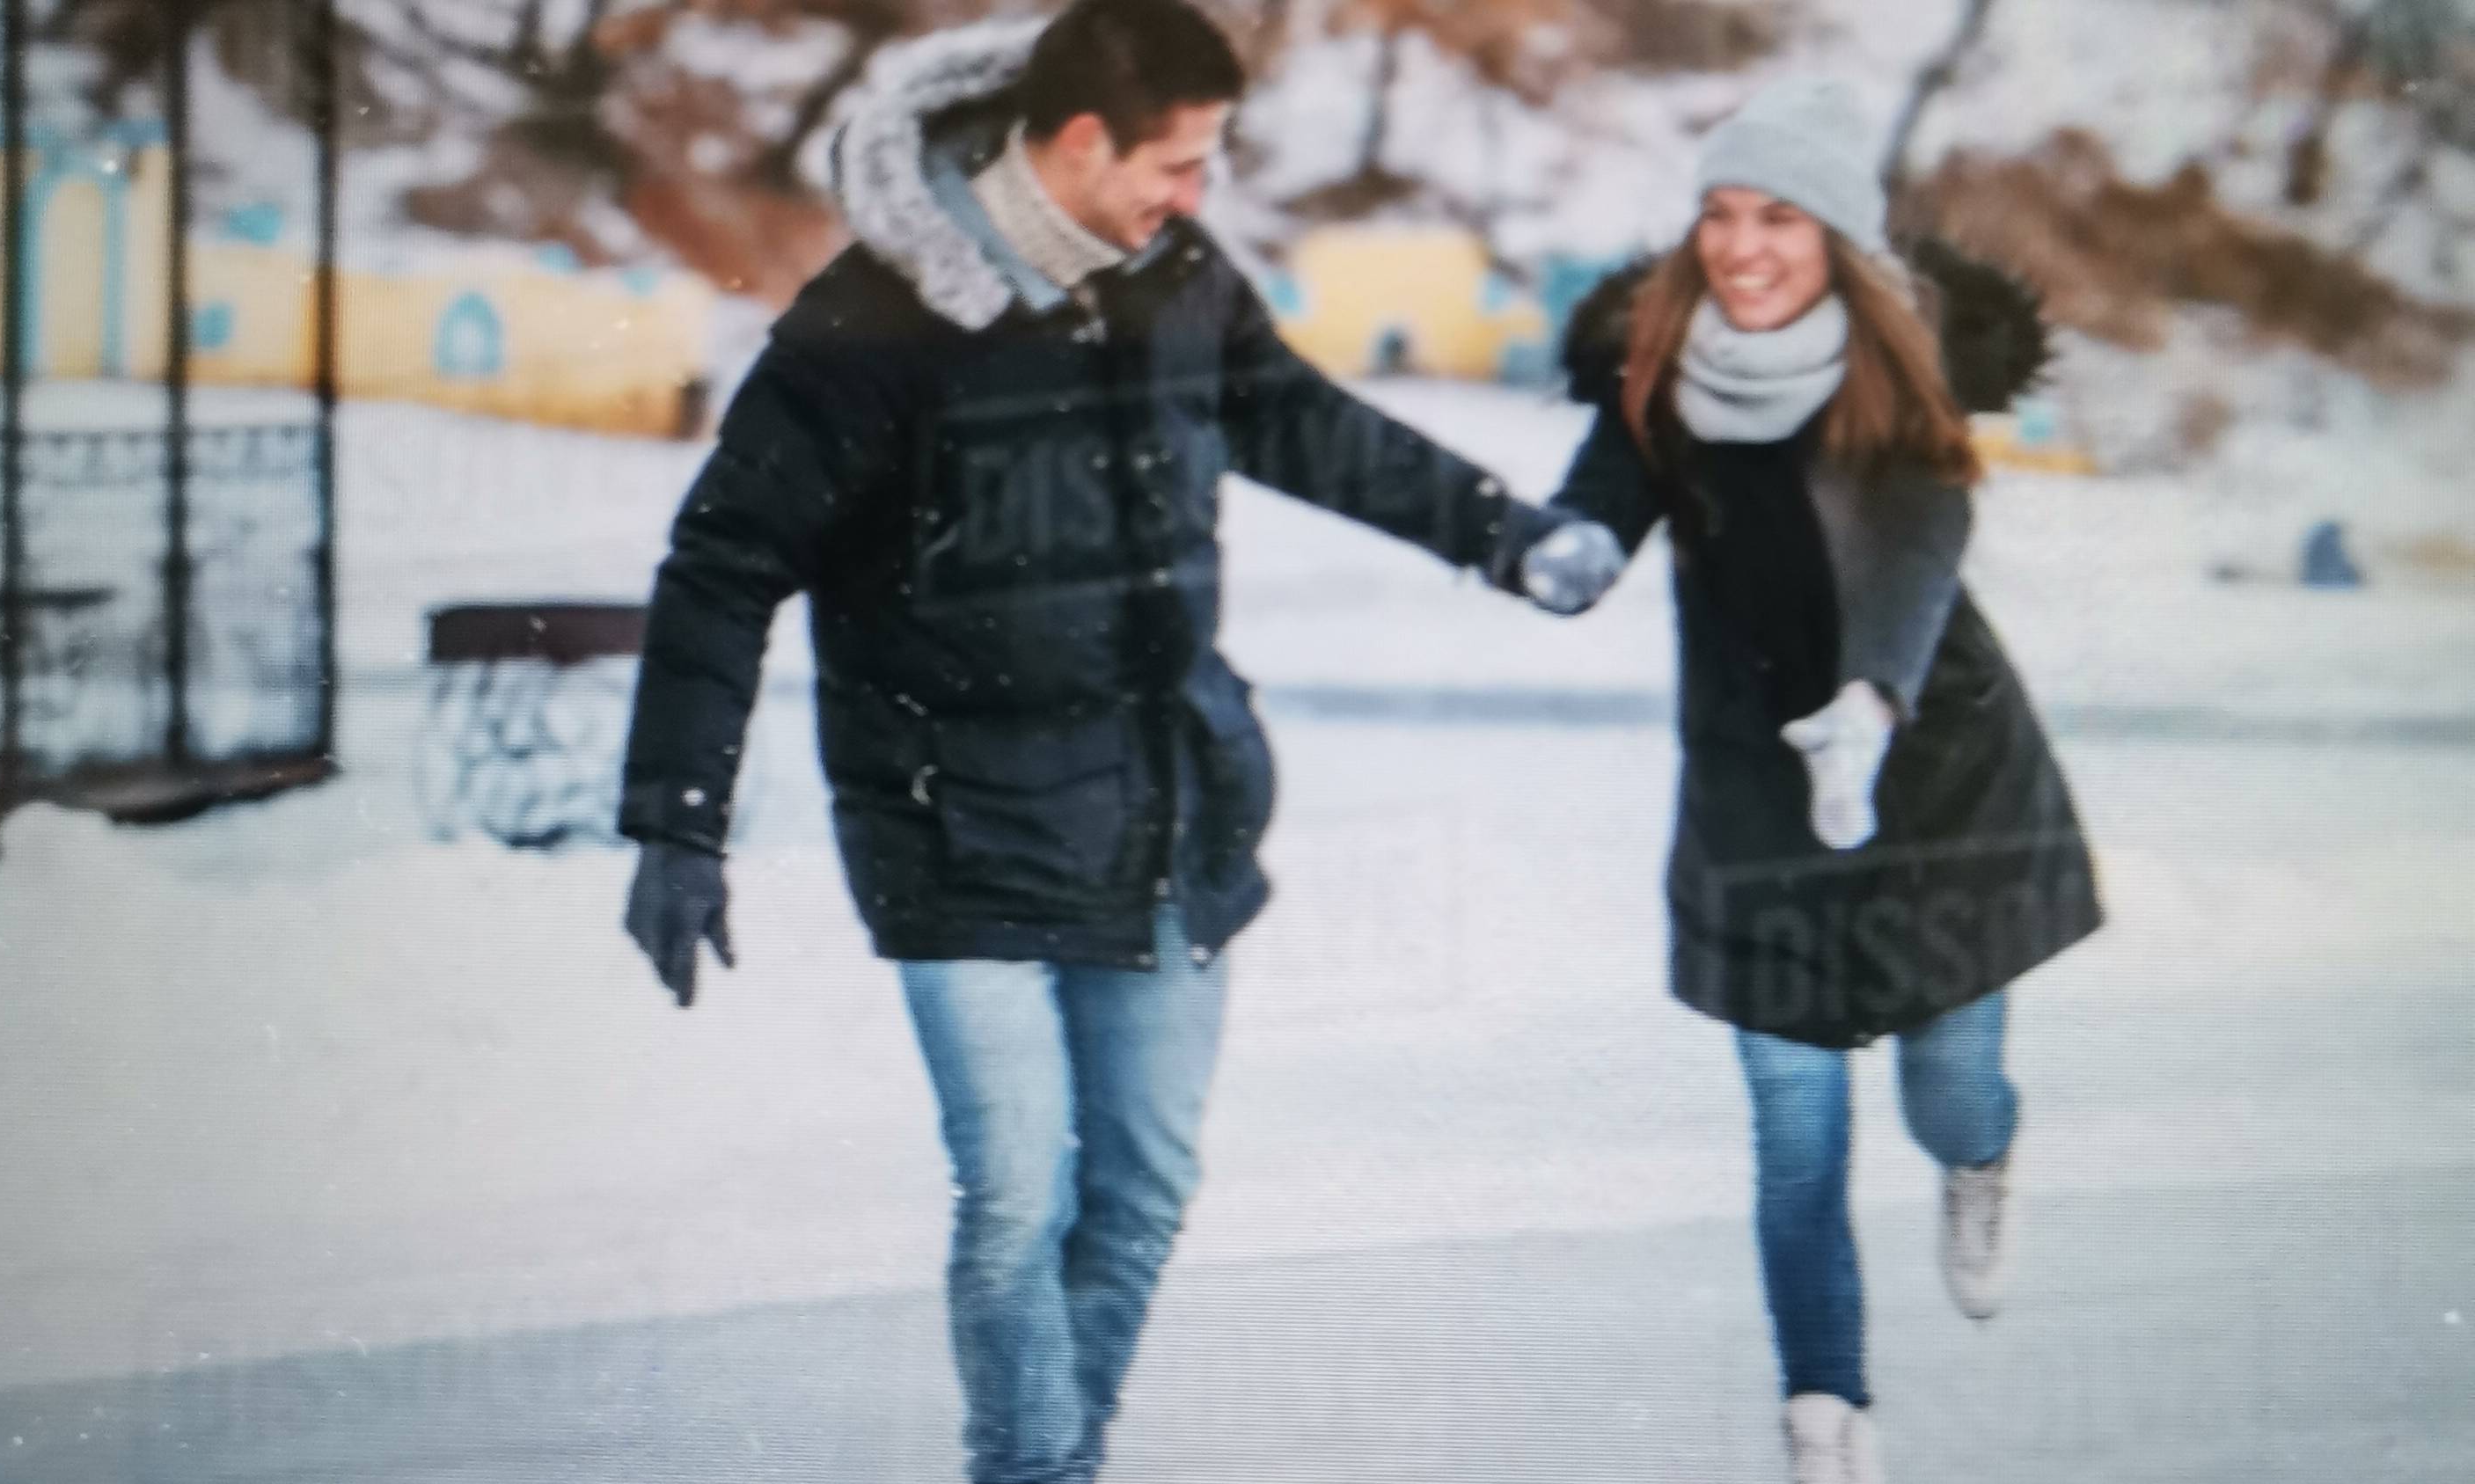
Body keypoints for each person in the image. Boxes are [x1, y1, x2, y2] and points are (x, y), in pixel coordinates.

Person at [614, 4, 1620, 1480]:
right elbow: (723, 562)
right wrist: (676, 819)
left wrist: (1505, 535)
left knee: (1141, 1193)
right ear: (1082, 142)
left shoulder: (1177, 278)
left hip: (1163, 807)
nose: (1198, 195)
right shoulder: (875, 323)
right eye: (1179, 164)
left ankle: (1052, 1464)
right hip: (954, 829)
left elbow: (1309, 426)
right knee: (1017, 1203)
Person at [1545, 79, 2104, 1483]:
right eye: (1722, 215)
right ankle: (1825, 1421)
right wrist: (1566, 548)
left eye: (1780, 219)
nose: (1742, 248)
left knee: (1949, 1091)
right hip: (1754, 799)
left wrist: (1868, 704)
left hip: (1930, 779)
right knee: (1797, 1141)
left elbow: (1917, 548)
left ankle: (1983, 1160)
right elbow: (1600, 498)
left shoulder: (1898, 370)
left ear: (1838, 238)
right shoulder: (1660, 368)